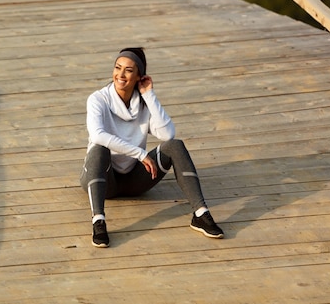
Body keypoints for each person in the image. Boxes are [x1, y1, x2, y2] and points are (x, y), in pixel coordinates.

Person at [80, 47, 224, 247]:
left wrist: (149, 94)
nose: (120, 75)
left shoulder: (144, 103)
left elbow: (167, 135)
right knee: (99, 147)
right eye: (117, 68)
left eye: (129, 70)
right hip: (105, 179)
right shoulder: (98, 99)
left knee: (175, 146)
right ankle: (99, 222)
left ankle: (200, 214)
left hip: (134, 181)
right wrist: (140, 153)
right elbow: (97, 135)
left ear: (139, 75)